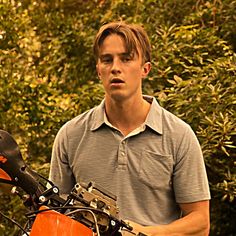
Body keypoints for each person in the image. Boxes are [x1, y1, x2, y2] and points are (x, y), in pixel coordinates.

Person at [49, 21, 211, 235]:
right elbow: (53, 216)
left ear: (145, 69)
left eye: (126, 58)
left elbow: (200, 222)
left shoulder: (179, 135)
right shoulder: (71, 135)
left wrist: (146, 233)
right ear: (99, 70)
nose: (115, 67)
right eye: (107, 60)